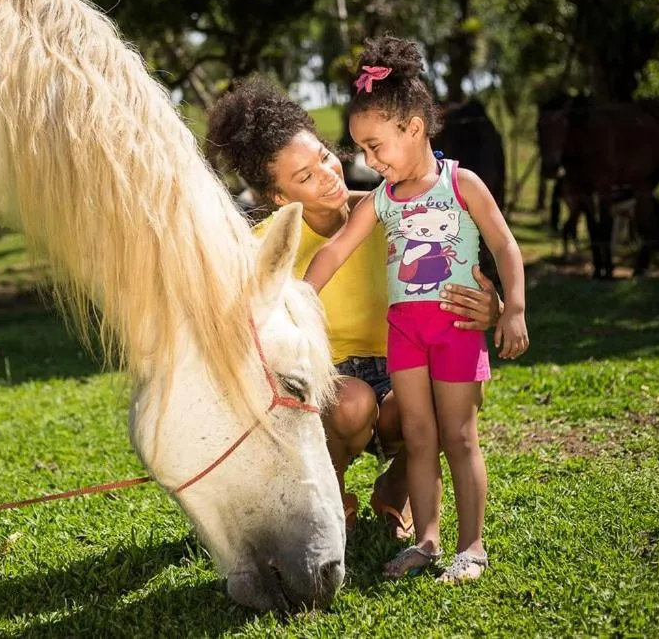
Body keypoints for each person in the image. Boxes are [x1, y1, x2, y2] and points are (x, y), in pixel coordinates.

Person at [204, 75, 503, 545]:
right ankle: (333, 494)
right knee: (353, 401)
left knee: (451, 401)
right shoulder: (262, 251)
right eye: (305, 177)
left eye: (324, 157)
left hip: (406, 364)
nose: (328, 175)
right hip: (329, 384)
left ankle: (394, 488)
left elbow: (462, 265)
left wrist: (493, 305)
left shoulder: (393, 210)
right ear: (279, 197)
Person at [303, 35, 529, 583]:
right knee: (421, 438)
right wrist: (300, 297)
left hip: (455, 331)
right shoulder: (381, 199)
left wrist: (513, 308)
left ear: (415, 128)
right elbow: (335, 249)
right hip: (405, 334)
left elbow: (504, 245)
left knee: (460, 437)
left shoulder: (462, 183)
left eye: (376, 145)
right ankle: (426, 539)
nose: (368, 160)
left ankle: (470, 546)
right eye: (360, 149)